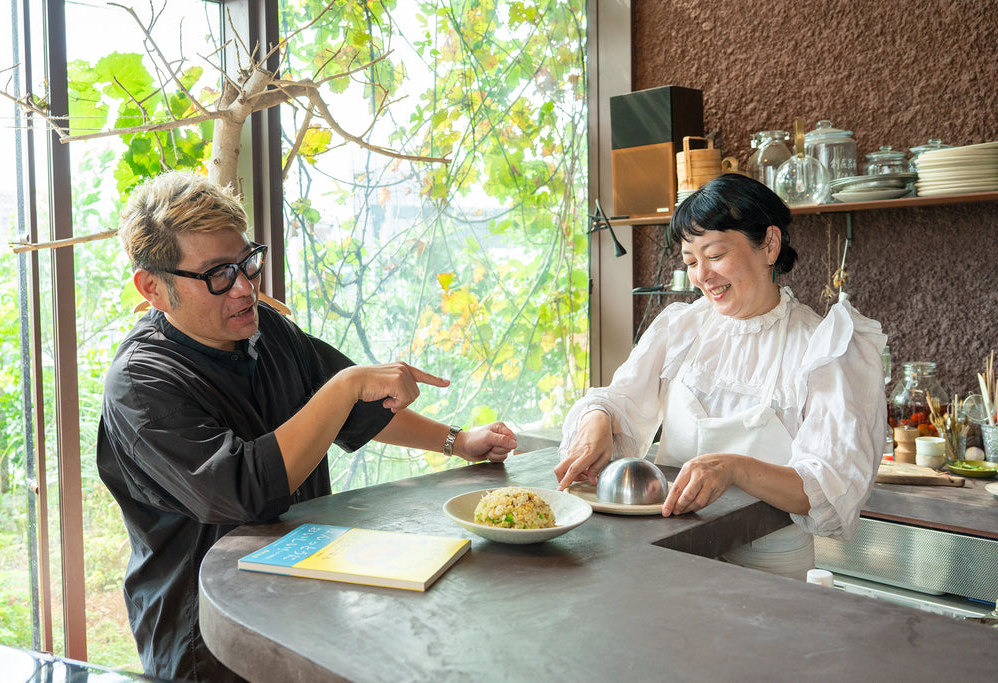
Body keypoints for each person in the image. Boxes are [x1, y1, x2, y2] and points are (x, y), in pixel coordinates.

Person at [96, 171, 518, 682]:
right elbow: (246, 490)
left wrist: (458, 442)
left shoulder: (265, 329)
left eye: (247, 263)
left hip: (303, 599)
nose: (246, 288)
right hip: (205, 636)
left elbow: (360, 410)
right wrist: (343, 386)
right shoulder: (141, 384)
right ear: (153, 288)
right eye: (217, 275)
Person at [554, 173, 887, 580]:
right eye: (691, 261)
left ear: (769, 244)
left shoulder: (823, 347)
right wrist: (597, 422)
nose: (701, 275)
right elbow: (617, 401)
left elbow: (831, 485)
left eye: (714, 255)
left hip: (769, 572)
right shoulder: (680, 327)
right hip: (670, 556)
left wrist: (736, 468)